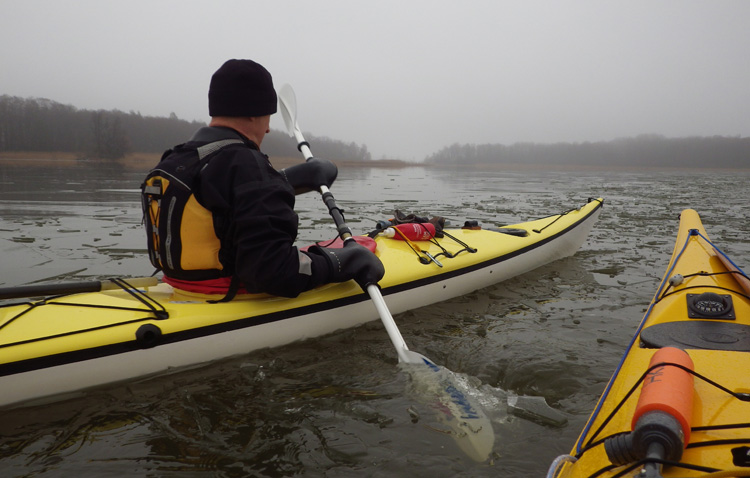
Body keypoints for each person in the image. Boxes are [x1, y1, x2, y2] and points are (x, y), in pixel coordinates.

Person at [141, 59, 384, 300]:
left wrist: (284, 180)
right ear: (253, 114)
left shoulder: (175, 158)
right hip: (227, 295)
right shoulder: (248, 165)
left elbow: (222, 203)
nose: (268, 129)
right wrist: (341, 262)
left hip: (177, 287)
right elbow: (274, 272)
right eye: (268, 116)